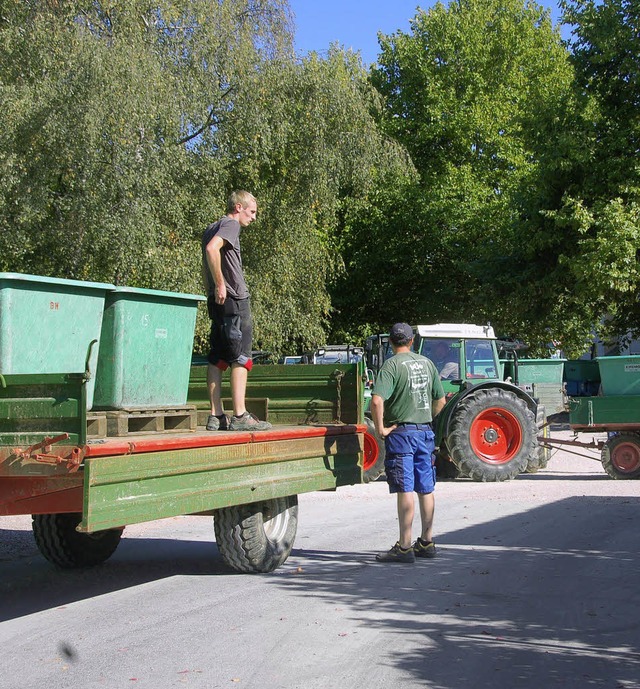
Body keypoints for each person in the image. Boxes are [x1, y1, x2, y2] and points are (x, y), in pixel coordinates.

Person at [371, 322, 446, 563]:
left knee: (405, 487)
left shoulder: (391, 365)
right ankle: (427, 541)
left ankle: (404, 547)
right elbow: (440, 400)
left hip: (401, 434)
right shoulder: (427, 363)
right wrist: (426, 419)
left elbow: (376, 401)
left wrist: (381, 428)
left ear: (391, 342)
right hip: (424, 432)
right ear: (411, 341)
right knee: (426, 487)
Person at [201, 190, 272, 431]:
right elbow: (213, 249)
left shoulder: (212, 226)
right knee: (241, 356)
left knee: (218, 356)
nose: (253, 217)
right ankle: (240, 416)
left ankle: (216, 415)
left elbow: (210, 253)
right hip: (234, 299)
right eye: (252, 212)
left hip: (217, 301)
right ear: (239, 207)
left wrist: (215, 287)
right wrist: (222, 284)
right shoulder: (230, 224)